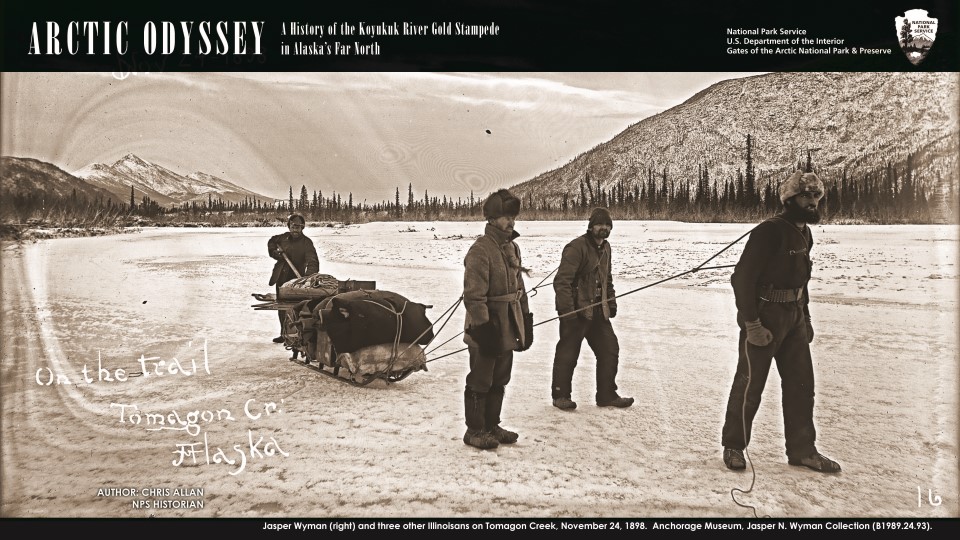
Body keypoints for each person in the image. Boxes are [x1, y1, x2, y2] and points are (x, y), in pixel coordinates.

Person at [721, 170, 841, 474]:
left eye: (816, 195)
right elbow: (742, 279)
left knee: (802, 386)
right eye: (805, 196)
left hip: (794, 317)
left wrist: (806, 316)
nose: (813, 201)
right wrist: (752, 324)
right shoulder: (769, 231)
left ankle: (803, 451)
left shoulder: (805, 233)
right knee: (749, 385)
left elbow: (802, 279)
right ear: (790, 199)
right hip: (764, 317)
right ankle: (734, 446)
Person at [461, 189, 533, 450]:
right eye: (505, 217)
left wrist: (525, 318)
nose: (510, 222)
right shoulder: (480, 250)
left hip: (508, 324)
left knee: (500, 377)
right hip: (487, 327)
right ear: (491, 219)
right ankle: (475, 430)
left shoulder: (512, 247)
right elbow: (473, 296)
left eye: (513, 216)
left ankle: (492, 425)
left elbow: (519, 288)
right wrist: (483, 329)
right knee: (481, 378)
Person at [551, 207, 634, 410]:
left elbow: (607, 279)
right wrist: (568, 312)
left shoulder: (606, 248)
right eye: (599, 224)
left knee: (609, 350)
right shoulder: (575, 247)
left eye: (607, 225)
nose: (603, 228)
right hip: (577, 311)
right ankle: (561, 395)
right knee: (568, 353)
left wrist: (611, 303)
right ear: (590, 227)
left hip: (599, 311)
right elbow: (562, 282)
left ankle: (606, 395)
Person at [268, 213, 320, 343]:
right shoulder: (283, 238)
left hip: (296, 280)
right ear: (289, 226)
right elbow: (272, 241)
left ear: (302, 228)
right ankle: (284, 334)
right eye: (293, 227)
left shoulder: (306, 243)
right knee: (282, 307)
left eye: (298, 227)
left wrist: (307, 279)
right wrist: (276, 253)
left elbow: (313, 261)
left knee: (296, 307)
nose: (295, 230)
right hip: (281, 276)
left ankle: (297, 334)